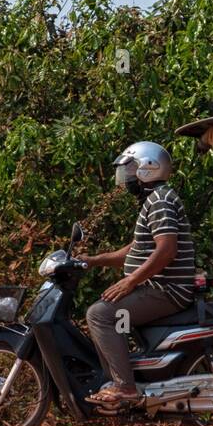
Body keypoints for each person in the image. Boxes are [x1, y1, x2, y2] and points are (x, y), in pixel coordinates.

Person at [81, 142, 196, 407]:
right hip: (158, 286)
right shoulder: (154, 200)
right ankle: (118, 380)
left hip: (165, 290)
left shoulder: (160, 201)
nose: (127, 177)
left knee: (100, 314)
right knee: (110, 313)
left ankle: (125, 387)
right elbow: (136, 250)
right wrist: (93, 261)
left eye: (131, 169)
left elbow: (166, 250)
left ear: (149, 169)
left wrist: (131, 280)